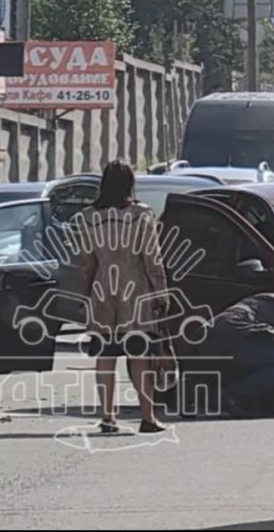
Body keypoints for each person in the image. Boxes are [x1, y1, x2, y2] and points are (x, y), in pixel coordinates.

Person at [76, 160, 169, 435]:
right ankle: (148, 416)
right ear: (130, 183)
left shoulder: (88, 217)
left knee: (105, 355)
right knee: (139, 355)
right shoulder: (142, 215)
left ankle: (107, 417)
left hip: (102, 289)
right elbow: (152, 259)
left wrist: (84, 295)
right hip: (135, 289)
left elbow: (85, 262)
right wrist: (161, 292)